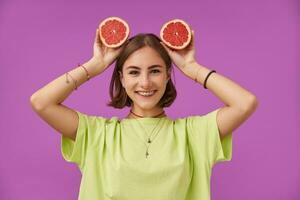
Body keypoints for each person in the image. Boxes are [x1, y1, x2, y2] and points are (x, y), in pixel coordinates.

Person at [30, 27, 258, 200]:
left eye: (155, 71)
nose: (145, 82)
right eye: (134, 72)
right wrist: (95, 65)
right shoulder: (97, 134)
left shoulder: (194, 134)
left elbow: (244, 103)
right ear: (122, 78)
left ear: (168, 75)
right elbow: (41, 102)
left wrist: (191, 68)